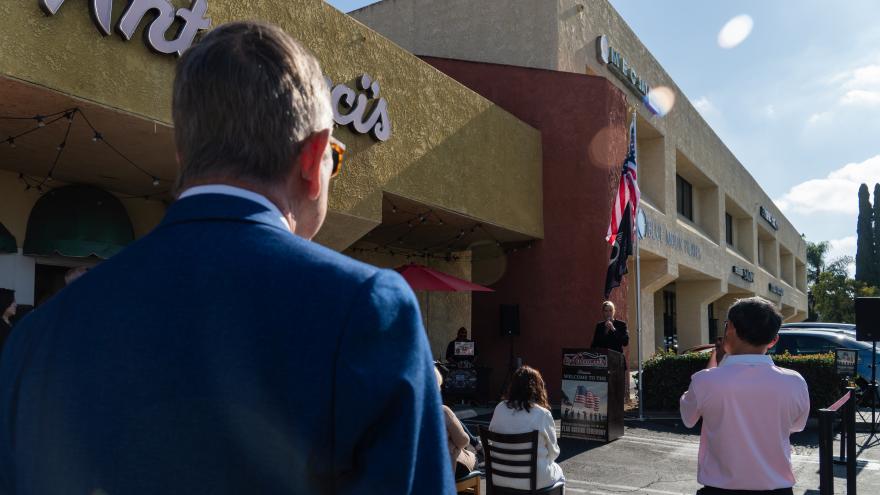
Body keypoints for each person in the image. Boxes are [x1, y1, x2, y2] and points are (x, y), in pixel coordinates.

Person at [0, 22, 453, 495]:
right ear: (312, 158)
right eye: (334, 159)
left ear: (183, 157)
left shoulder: (37, 338)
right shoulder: (365, 313)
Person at [680, 297, 810, 495]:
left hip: (720, 490)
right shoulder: (795, 382)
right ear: (774, 340)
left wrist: (716, 360)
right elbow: (796, 426)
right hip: (778, 489)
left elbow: (688, 418)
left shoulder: (705, 381)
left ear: (730, 328)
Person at [489, 366, 564, 491]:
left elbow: (492, 435)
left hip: (499, 476)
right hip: (533, 481)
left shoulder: (499, 408)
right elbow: (554, 453)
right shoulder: (542, 414)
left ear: (513, 386)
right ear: (538, 388)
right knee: (559, 473)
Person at [435, 368, 477, 479]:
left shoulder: (405, 412)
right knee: (472, 457)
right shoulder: (442, 411)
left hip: (415, 470)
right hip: (442, 470)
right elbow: (463, 441)